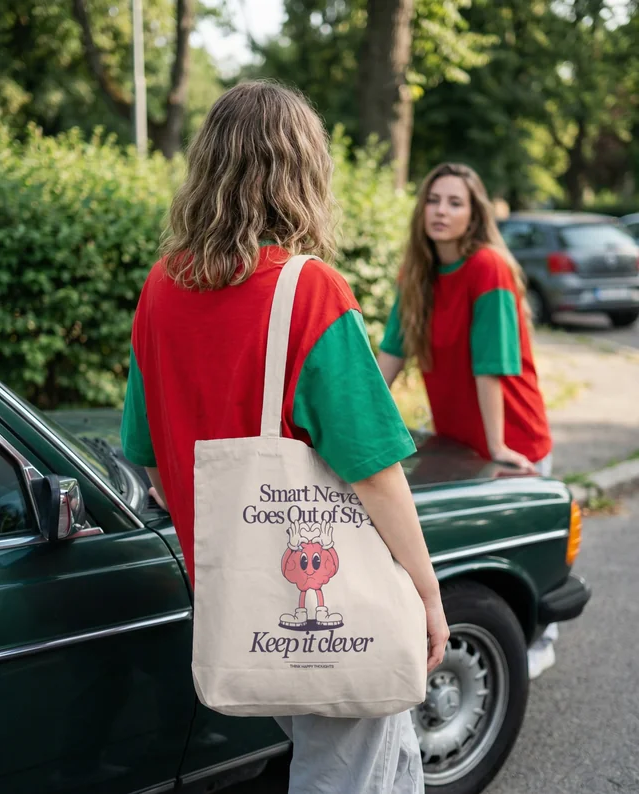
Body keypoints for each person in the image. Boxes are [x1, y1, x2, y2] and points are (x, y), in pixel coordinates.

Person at [120, 80, 449, 793]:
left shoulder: (160, 289)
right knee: (345, 773)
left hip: (236, 597)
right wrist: (426, 591)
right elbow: (373, 467)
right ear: (302, 174)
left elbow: (145, 454)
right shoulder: (311, 290)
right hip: (327, 604)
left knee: (384, 759)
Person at [377, 162, 556, 680]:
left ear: (474, 213)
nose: (441, 211)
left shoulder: (488, 268)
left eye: (455, 202)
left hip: (513, 439)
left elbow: (492, 363)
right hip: (459, 442)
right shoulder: (417, 274)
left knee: (528, 559)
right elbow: (390, 355)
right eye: (434, 200)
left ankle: (537, 640)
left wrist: (498, 443)